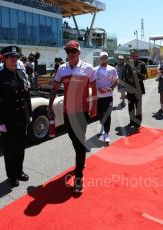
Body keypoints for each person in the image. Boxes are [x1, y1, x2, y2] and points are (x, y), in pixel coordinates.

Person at [47, 40, 97, 194]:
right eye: (67, 51)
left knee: (79, 142)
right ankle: (81, 158)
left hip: (81, 112)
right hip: (67, 112)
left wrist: (94, 107)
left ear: (79, 53)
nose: (69, 54)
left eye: (72, 51)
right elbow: (55, 88)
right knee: (75, 142)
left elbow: (94, 88)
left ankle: (79, 177)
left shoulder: (88, 68)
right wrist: (49, 106)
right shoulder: (62, 69)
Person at [0, 46, 33, 187]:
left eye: (16, 57)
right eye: (11, 57)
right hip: (8, 119)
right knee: (9, 148)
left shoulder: (21, 74)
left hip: (22, 117)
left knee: (20, 146)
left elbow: (26, 95)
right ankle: (11, 175)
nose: (14, 59)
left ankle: (19, 171)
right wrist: (0, 122)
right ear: (4, 59)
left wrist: (30, 114)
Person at [94, 52, 119, 144]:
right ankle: (102, 125)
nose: (103, 60)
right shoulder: (95, 69)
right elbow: (92, 83)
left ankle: (106, 134)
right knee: (100, 115)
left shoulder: (112, 69)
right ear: (99, 59)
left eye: (105, 58)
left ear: (107, 59)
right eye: (102, 58)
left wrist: (111, 88)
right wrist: (99, 89)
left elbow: (116, 81)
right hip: (99, 96)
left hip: (108, 96)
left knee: (107, 115)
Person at [123, 49, 147, 128]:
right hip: (130, 89)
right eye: (131, 56)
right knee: (130, 106)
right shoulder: (127, 64)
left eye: (134, 56)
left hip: (138, 89)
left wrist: (137, 73)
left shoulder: (142, 64)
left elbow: (146, 77)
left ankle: (138, 122)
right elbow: (125, 77)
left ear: (137, 56)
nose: (133, 57)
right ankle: (132, 121)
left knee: (138, 106)